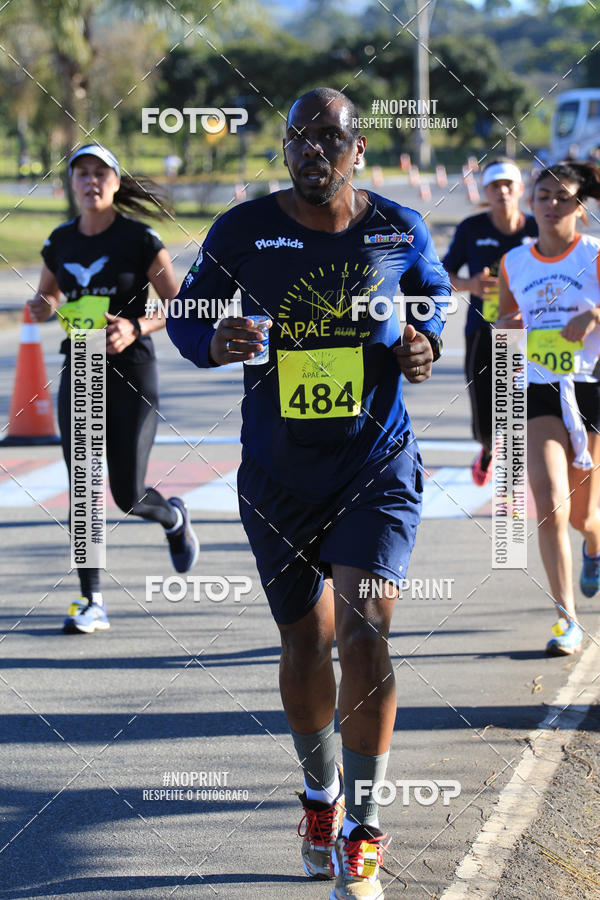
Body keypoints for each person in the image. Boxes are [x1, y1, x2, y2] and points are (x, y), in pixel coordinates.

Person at [167, 88, 450, 899]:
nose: (312, 150)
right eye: (299, 137)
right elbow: (187, 313)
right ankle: (320, 801)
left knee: (365, 634)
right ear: (286, 148)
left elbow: (435, 296)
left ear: (359, 149)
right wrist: (211, 341)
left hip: (376, 466)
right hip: (279, 472)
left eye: (330, 137)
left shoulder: (396, 226)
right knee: (305, 643)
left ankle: (363, 830)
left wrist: (425, 339)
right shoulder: (243, 228)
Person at [28, 144, 199, 634]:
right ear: (72, 183)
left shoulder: (140, 240)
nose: (90, 181)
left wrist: (135, 327)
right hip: (79, 366)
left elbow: (181, 307)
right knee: (82, 490)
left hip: (133, 372)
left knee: (127, 494)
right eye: (81, 173)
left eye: (100, 173)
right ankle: (91, 601)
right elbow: (48, 297)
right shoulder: (60, 241)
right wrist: (41, 308)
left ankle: (171, 517)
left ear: (116, 182)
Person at [498, 161, 600, 655]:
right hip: (540, 387)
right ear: (530, 203)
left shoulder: (596, 255)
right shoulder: (515, 261)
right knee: (551, 505)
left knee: (586, 517)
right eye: (543, 195)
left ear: (581, 208)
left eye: (563, 197)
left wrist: (595, 313)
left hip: (592, 387)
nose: (552, 204)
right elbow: (505, 319)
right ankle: (567, 620)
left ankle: (594, 546)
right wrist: (512, 340)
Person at [443, 158, 538, 485]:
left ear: (521, 189)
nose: (502, 191)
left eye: (508, 184)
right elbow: (439, 276)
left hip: (530, 336)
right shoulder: (471, 229)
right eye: (495, 185)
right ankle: (486, 450)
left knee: (524, 407)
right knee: (485, 421)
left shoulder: (537, 229)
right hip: (483, 332)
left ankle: (519, 469)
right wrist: (470, 285)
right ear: (485, 191)